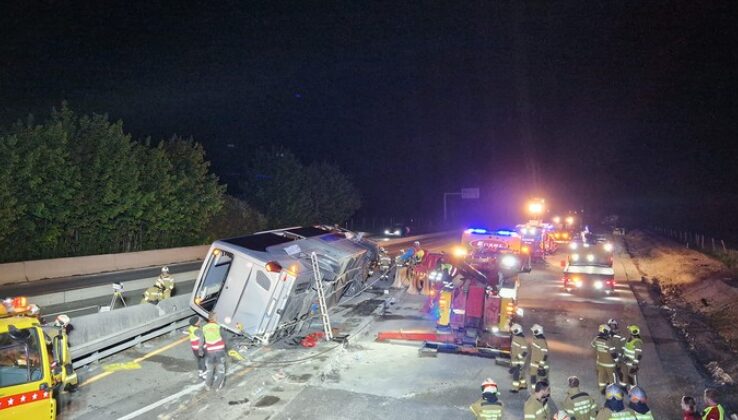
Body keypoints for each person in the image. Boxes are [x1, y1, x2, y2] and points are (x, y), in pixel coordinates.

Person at [203, 311, 227, 390]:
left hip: (210, 352)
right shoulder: (218, 326)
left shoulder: (204, 327)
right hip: (219, 351)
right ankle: (217, 386)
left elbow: (203, 340)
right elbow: (224, 339)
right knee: (221, 370)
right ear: (215, 318)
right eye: (217, 317)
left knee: (210, 369)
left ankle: (207, 385)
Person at [591, 324, 618, 394]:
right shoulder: (608, 341)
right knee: (611, 377)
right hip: (610, 364)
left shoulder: (596, 339)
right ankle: (612, 391)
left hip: (600, 362)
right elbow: (613, 353)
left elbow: (593, 345)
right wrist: (617, 361)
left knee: (601, 376)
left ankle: (602, 390)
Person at [529, 324, 549, 393]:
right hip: (534, 364)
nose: (533, 332)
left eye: (534, 331)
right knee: (533, 378)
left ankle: (545, 392)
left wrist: (541, 365)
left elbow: (545, 354)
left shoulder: (541, 341)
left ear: (537, 331)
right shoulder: (535, 339)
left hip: (540, 364)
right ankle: (534, 391)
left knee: (543, 379)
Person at [509, 323, 528, 393]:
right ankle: (523, 385)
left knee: (516, 375)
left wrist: (517, 359)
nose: (513, 332)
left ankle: (515, 389)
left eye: (513, 330)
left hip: (519, 361)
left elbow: (525, 351)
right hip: (516, 361)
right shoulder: (516, 337)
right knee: (521, 373)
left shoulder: (521, 339)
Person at [607, 319, 626, 384]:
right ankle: (610, 384)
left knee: (619, 370)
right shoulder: (607, 334)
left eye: (613, 325)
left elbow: (623, 344)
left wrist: (622, 354)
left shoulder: (620, 334)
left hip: (618, 354)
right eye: (611, 325)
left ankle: (622, 384)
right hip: (610, 355)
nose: (612, 326)